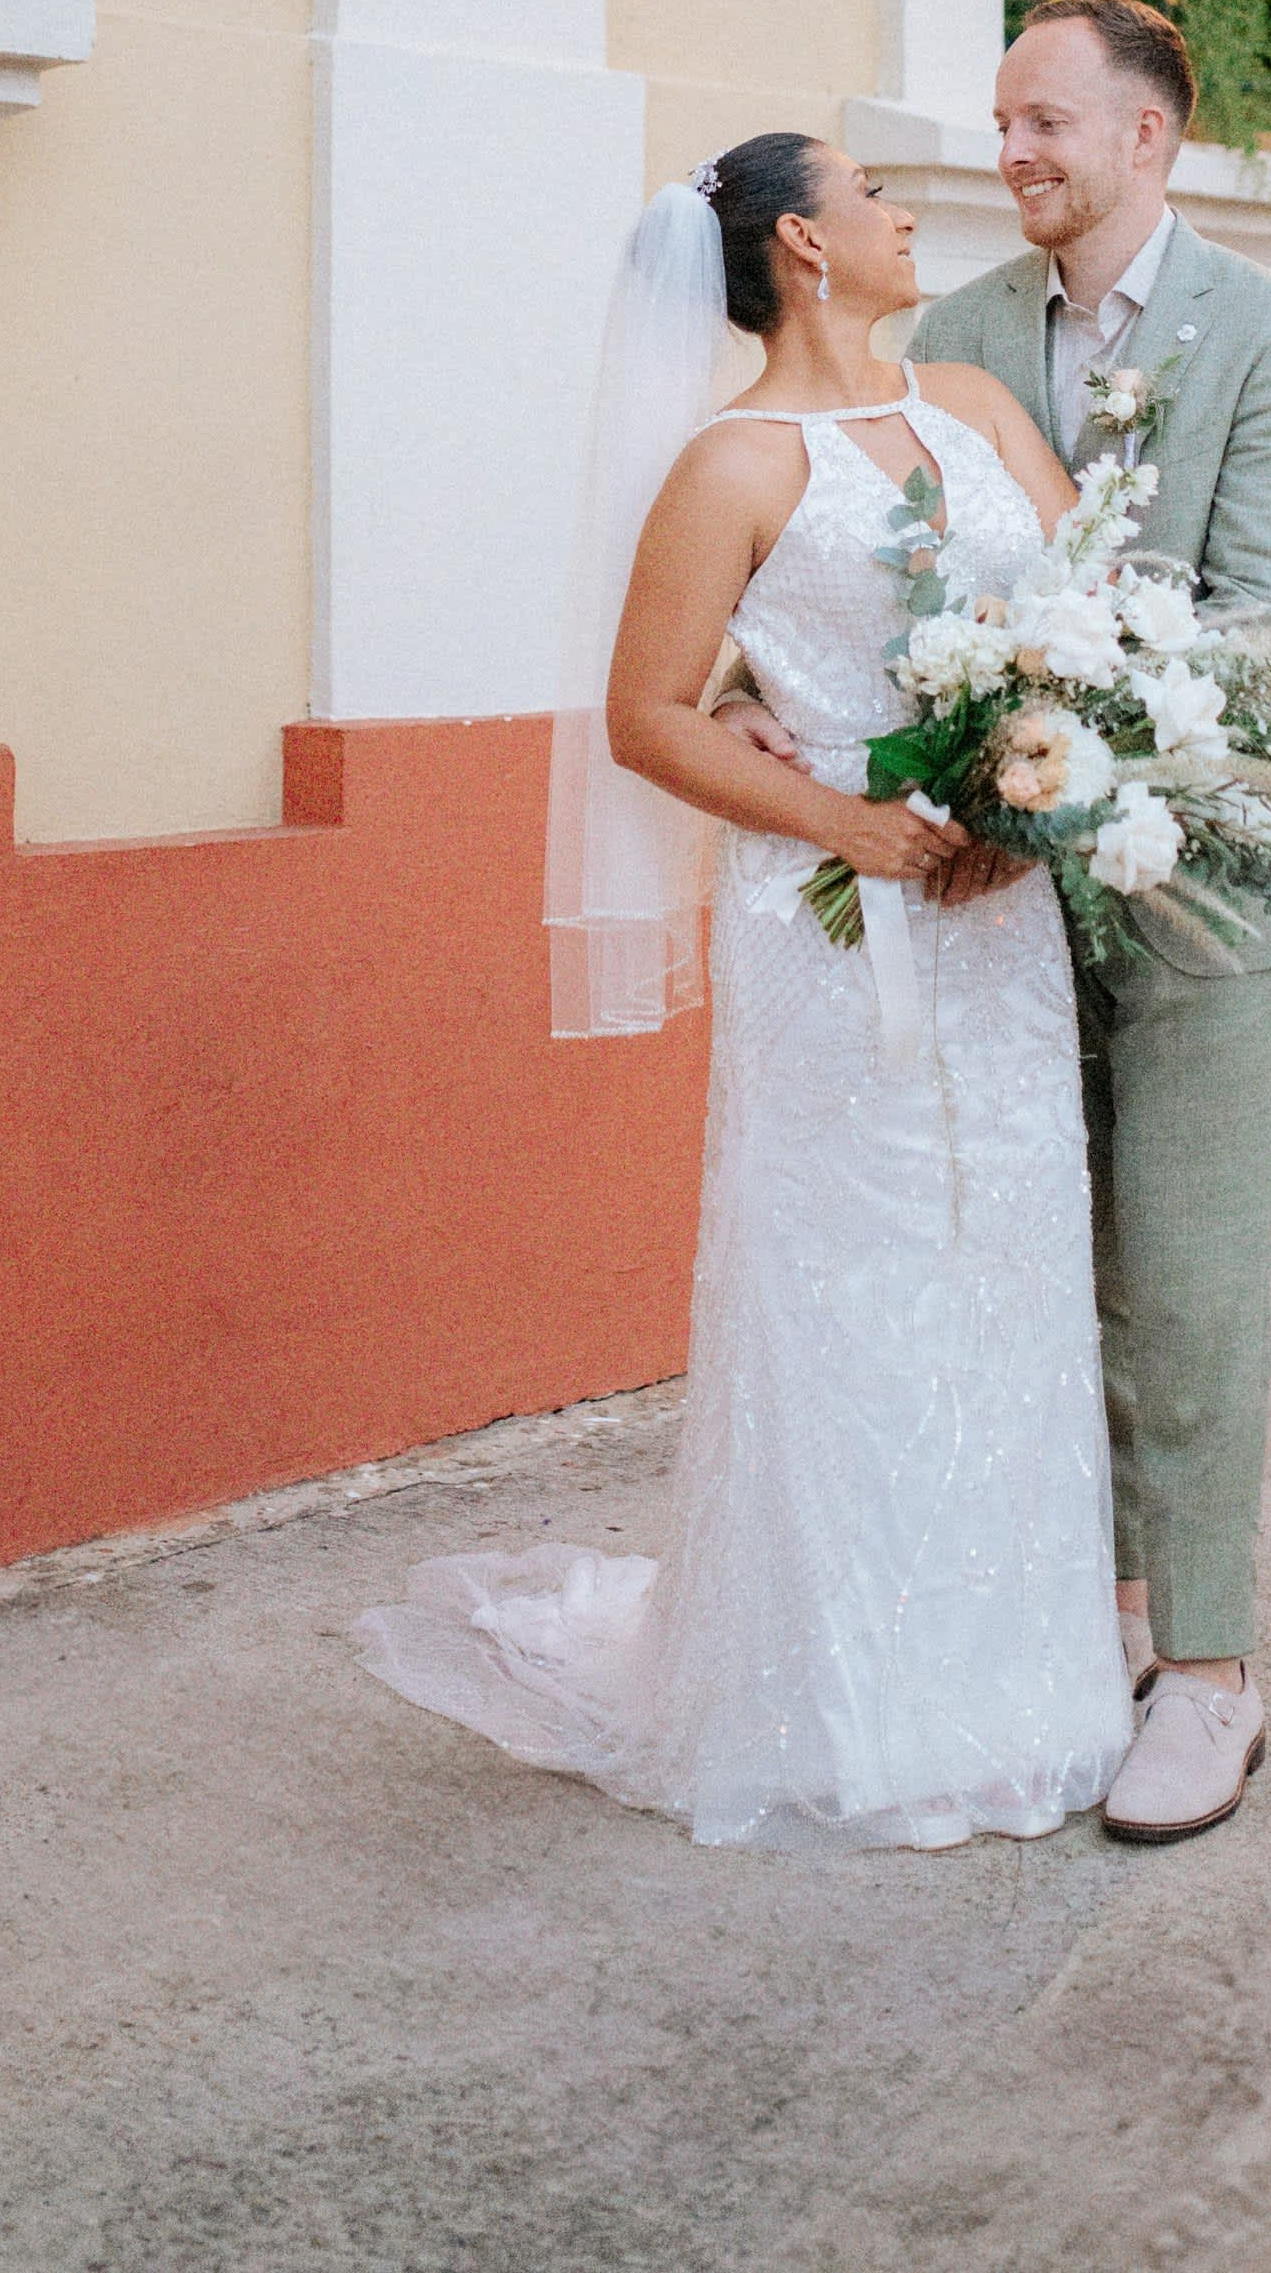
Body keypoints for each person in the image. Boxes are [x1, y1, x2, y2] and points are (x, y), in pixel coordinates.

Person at [355, 134, 1132, 1851]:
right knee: (848, 1280)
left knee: (1001, 1263)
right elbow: (648, 715)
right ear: (802, 242)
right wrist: (860, 827)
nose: (908, 209)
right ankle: (839, 1700)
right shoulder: (727, 465)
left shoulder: (977, 415)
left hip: (995, 920)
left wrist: (1038, 789)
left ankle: (1026, 1686)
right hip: (834, 920)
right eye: (872, 193)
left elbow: (1097, 623)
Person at [905, 0, 1271, 1841]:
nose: (1011, 151)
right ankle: (1078, 1634)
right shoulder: (955, 334)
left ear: (1143, 138)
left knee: (1183, 1290)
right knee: (1032, 1281)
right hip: (1006, 895)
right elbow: (898, 565)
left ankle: (1214, 1673)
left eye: (1044, 124)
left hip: (1213, 898)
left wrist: (1056, 726)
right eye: (1003, 121)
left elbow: (1250, 623)